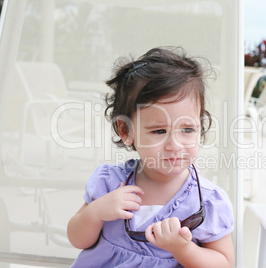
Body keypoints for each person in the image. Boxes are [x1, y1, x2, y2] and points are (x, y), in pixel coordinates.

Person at [67, 47, 234, 267]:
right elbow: (77, 239)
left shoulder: (207, 201)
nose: (174, 145)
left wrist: (183, 248)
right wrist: (96, 212)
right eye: (159, 131)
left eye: (187, 130)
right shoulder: (109, 183)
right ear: (126, 131)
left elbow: (225, 263)